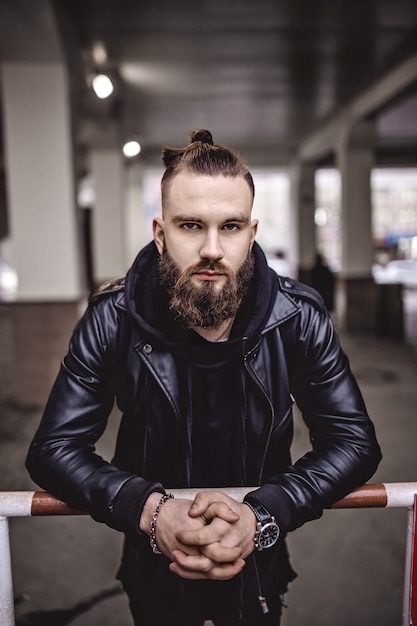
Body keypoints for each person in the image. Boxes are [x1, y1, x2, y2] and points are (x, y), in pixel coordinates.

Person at [26, 129, 381, 626]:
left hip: (258, 566)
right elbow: (53, 449)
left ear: (252, 234)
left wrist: (263, 516)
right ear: (160, 232)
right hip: (152, 568)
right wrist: (151, 512)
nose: (212, 248)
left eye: (231, 226)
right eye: (191, 225)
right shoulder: (113, 318)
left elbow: (353, 441)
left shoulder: (297, 317)